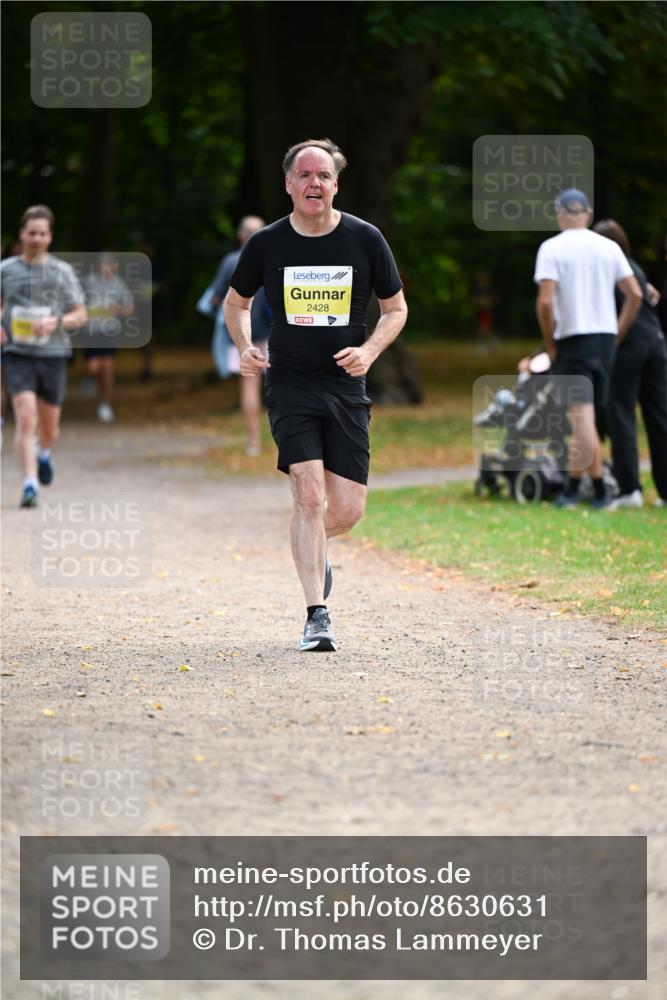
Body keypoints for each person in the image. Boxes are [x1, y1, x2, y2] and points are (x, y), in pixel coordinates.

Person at [224, 138, 408, 651]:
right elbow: (235, 303)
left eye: (323, 176)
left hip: (345, 387)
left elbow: (396, 310)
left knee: (346, 511)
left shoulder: (365, 239)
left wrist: (369, 352)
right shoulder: (266, 243)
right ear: (288, 183)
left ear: (335, 183)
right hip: (289, 384)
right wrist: (244, 345)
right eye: (304, 175)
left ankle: (314, 544)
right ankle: (316, 614)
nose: (314, 184)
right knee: (308, 495)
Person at [534, 189, 642, 509]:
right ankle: (572, 486)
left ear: (559, 213)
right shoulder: (608, 247)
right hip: (604, 340)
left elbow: (544, 301)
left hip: (572, 339)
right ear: (589, 213)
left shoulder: (552, 248)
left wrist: (550, 343)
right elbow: (634, 294)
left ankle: (598, 490)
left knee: (580, 416)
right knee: (586, 415)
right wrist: (617, 333)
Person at [0, 205, 87, 507]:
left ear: (50, 237)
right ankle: (29, 483)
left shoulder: (62, 272)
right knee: (25, 418)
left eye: (42, 233)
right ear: (22, 234)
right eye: (31, 233)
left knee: (49, 428)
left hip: (53, 354)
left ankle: (44, 452)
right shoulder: (6, 270)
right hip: (18, 353)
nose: (36, 238)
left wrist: (56, 322)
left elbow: (81, 314)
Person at [592, 219, 667, 508]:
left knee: (620, 413)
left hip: (629, 347)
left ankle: (629, 490)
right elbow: (648, 296)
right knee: (659, 417)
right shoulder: (632, 266)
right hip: (657, 344)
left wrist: (615, 338)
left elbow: (634, 298)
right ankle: (664, 491)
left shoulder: (610, 268)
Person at [210, 216, 271, 456]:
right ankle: (288, 441)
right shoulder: (274, 259)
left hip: (241, 336)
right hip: (272, 331)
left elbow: (217, 298)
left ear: (240, 236)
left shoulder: (230, 262)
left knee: (249, 385)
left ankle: (254, 442)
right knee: (285, 384)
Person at [82, 252, 134, 423]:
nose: (107, 268)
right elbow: (77, 302)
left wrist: (117, 310)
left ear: (115, 267)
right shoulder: (89, 282)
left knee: (108, 367)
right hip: (92, 330)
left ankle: (105, 404)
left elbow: (129, 309)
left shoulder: (120, 284)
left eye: (110, 265)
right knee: (94, 368)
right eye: (104, 265)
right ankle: (90, 379)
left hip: (110, 331)